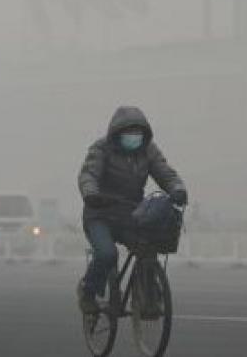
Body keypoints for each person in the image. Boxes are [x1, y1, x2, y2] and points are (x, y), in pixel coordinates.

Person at [76, 105, 187, 314]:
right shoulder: (101, 149)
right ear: (117, 133)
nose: (134, 137)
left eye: (138, 133)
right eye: (129, 133)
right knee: (108, 255)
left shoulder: (148, 151)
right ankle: (87, 291)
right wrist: (90, 193)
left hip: (130, 214)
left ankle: (147, 299)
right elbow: (88, 175)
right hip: (99, 213)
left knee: (148, 248)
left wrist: (177, 188)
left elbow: (165, 173)